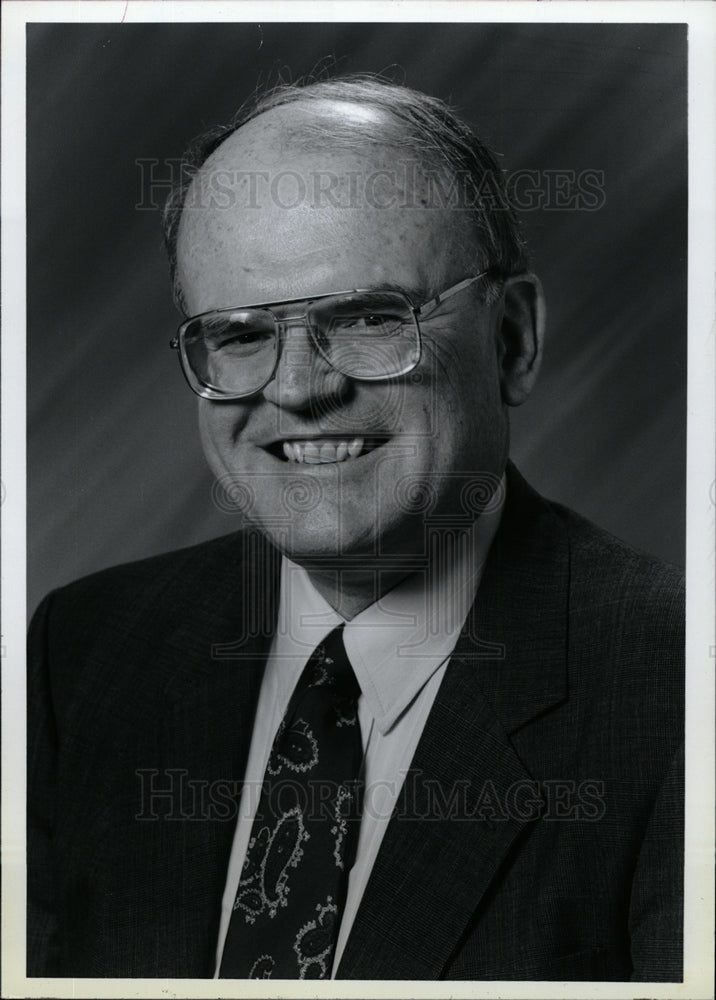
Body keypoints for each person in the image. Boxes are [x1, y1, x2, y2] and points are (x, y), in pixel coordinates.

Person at [27, 76, 683, 982]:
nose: (298, 390)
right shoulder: (88, 652)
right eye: (241, 334)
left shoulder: (681, 694)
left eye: (371, 319)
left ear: (512, 341)